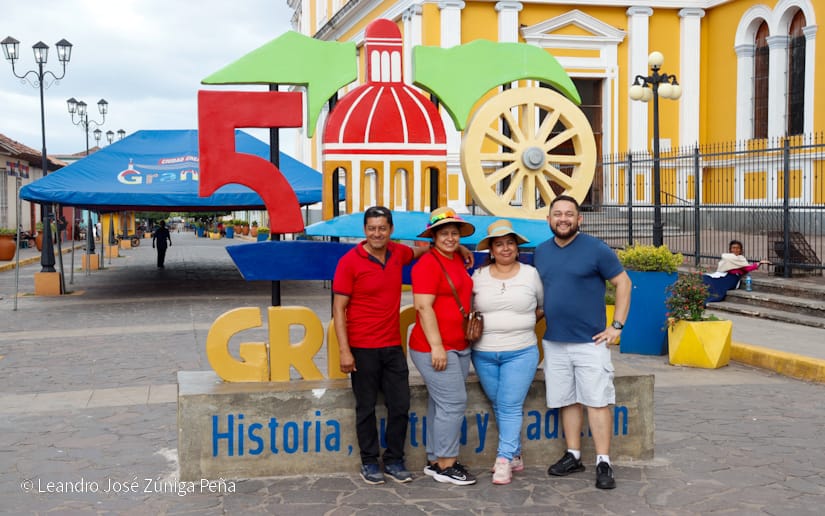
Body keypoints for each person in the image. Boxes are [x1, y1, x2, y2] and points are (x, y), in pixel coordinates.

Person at [332, 206, 473, 485]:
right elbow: (338, 309)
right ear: (365, 230)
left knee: (400, 406)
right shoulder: (350, 261)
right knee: (366, 408)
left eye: (382, 228)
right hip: (362, 346)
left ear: (391, 230)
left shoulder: (398, 253)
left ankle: (395, 460)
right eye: (372, 228)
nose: (377, 233)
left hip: (393, 345)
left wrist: (460, 250)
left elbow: (425, 251)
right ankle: (370, 462)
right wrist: (344, 350)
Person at [534, 195, 631, 490]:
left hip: (590, 342)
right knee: (567, 400)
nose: (563, 218)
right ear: (549, 219)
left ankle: (603, 461)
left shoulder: (596, 249)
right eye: (557, 214)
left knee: (597, 401)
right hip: (554, 341)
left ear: (580, 219)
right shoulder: (541, 252)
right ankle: (573, 454)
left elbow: (623, 283)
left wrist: (617, 326)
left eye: (569, 214)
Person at [471, 219, 544, 485]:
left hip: (520, 351)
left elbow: (542, 306)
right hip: (484, 353)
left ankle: (503, 460)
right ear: (491, 249)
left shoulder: (530, 274)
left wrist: (519, 325)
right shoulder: (478, 276)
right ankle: (515, 455)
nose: (505, 248)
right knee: (499, 403)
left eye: (510, 243)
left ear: (517, 247)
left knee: (510, 405)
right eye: (499, 244)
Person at [409, 207, 478, 486]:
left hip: (459, 344)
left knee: (441, 404)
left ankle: (436, 459)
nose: (450, 238)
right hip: (434, 347)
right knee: (454, 403)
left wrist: (460, 251)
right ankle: (447, 465)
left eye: (454, 233)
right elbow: (423, 306)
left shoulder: (455, 259)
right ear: (433, 237)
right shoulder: (427, 264)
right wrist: (437, 347)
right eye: (444, 233)